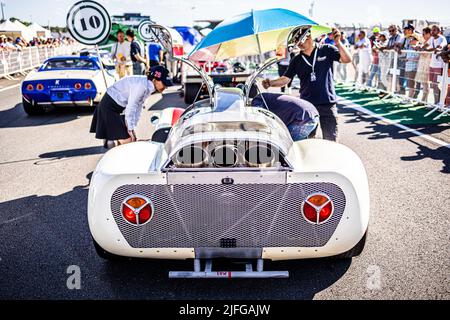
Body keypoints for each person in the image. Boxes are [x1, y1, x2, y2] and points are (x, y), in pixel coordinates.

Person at [262, 28, 352, 142]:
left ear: (308, 36)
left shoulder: (326, 49)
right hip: (307, 106)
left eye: (299, 40)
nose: (297, 43)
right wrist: (270, 83)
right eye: (295, 41)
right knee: (308, 142)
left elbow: (347, 59)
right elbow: (285, 79)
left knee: (331, 141)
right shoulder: (296, 59)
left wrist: (338, 43)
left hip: (327, 104)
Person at [90, 66, 173, 147]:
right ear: (155, 80)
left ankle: (113, 144)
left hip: (118, 108)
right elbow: (131, 107)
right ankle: (112, 143)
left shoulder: (147, 86)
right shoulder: (141, 86)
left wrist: (132, 127)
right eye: (164, 83)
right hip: (109, 107)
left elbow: (138, 107)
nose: (165, 87)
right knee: (128, 141)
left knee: (131, 140)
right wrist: (130, 129)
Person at [252, 93, 319, 141]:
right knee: (301, 146)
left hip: (302, 118)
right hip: (313, 114)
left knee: (287, 146)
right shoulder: (269, 98)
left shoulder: (258, 99)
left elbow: (259, 116)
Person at [426, 25, 448, 104]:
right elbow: (426, 45)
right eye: (432, 30)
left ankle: (440, 102)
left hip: (439, 65)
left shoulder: (442, 38)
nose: (432, 32)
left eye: (434, 30)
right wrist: (421, 47)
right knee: (433, 85)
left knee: (437, 85)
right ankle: (436, 102)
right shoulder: (431, 38)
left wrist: (436, 49)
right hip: (432, 64)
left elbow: (441, 47)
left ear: (439, 31)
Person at [415, 27, 432, 104]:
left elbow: (426, 54)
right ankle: (424, 99)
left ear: (429, 34)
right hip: (422, 63)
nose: (423, 35)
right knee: (423, 83)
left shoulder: (430, 42)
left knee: (425, 83)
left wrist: (419, 49)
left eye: (424, 34)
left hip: (427, 64)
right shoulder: (424, 42)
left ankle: (424, 100)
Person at [405, 33, 421, 99]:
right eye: (409, 39)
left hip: (413, 68)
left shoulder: (418, 48)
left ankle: (410, 98)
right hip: (408, 67)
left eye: (411, 39)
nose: (409, 40)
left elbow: (418, 58)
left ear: (416, 40)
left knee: (411, 84)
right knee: (409, 84)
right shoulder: (409, 47)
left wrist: (409, 59)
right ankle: (410, 97)